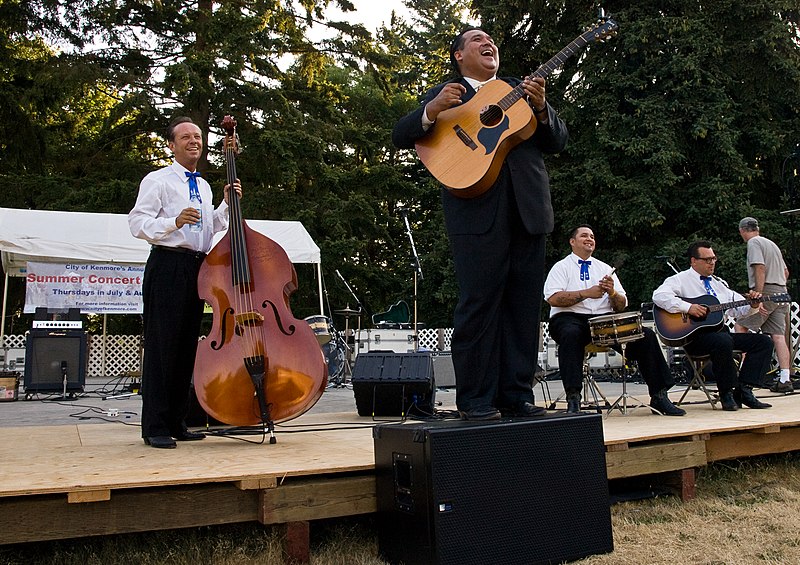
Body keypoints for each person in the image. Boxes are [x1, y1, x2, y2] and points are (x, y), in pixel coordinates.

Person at [392, 27, 568, 420]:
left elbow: (558, 141)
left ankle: (517, 395)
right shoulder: (447, 95)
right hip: (474, 213)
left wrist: (542, 110)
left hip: (528, 212)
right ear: (458, 55)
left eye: (492, 41)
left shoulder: (519, 90)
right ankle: (475, 399)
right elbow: (401, 135)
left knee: (523, 309)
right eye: (476, 39)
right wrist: (432, 110)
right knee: (480, 305)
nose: (488, 43)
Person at [129, 116, 241, 448]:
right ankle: (155, 426)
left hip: (196, 267)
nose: (194, 141)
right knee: (163, 346)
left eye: (198, 136)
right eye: (186, 137)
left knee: (183, 348)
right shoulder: (159, 180)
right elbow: (137, 222)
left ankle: (177, 422)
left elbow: (210, 228)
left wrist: (225, 202)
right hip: (168, 264)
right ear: (172, 144)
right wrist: (172, 222)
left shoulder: (203, 185)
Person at [544, 225, 685, 415]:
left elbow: (621, 305)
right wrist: (587, 293)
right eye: (584, 235)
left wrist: (611, 292)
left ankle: (659, 395)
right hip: (570, 317)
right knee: (571, 334)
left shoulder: (604, 268)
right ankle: (573, 397)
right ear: (572, 241)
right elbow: (553, 298)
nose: (589, 239)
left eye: (592, 236)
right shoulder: (561, 267)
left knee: (647, 336)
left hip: (604, 319)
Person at [652, 241, 774, 411]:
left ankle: (745, 389)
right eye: (707, 259)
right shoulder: (679, 280)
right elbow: (659, 296)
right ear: (694, 261)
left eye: (714, 259)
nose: (712, 263)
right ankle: (726, 393)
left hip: (720, 334)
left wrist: (753, 304)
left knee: (763, 342)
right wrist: (689, 307)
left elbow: (738, 310)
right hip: (694, 338)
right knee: (723, 341)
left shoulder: (719, 284)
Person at [736, 217, 793, 393]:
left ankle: (744, 374)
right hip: (782, 292)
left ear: (742, 231)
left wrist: (758, 293)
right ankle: (785, 378)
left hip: (766, 291)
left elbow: (759, 267)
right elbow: (786, 272)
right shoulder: (772, 244)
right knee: (778, 336)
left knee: (741, 325)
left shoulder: (753, 243)